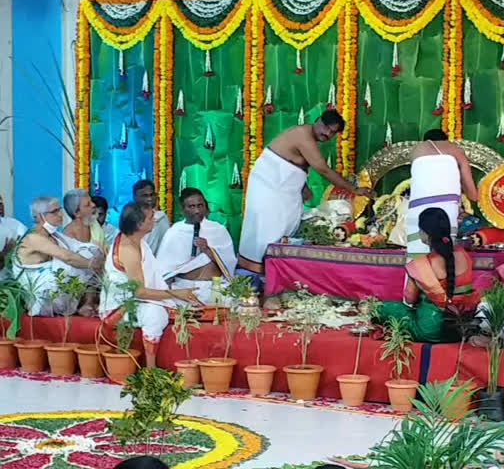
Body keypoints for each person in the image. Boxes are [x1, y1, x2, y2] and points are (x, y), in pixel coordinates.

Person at [238, 110, 373, 281]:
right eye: (326, 128)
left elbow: (294, 162)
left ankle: (273, 275)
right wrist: (355, 190)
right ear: (317, 120)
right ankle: (253, 278)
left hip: (283, 187)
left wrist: (303, 185)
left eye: (333, 132)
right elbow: (323, 169)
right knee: (266, 228)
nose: (327, 134)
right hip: (269, 185)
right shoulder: (302, 134)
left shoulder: (308, 138)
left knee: (285, 226)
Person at [100, 202, 200, 368]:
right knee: (155, 314)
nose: (155, 220)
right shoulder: (129, 251)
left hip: (135, 300)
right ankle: (151, 369)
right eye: (151, 217)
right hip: (119, 308)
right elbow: (139, 292)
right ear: (139, 224)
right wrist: (176, 294)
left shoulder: (137, 241)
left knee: (187, 302)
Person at [377, 208, 480, 343]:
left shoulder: (420, 265)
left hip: (431, 330)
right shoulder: (464, 255)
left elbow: (409, 300)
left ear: (425, 234)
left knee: (382, 307)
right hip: (463, 327)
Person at [12, 196, 104, 316]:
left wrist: (95, 258)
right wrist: (92, 264)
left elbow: (85, 248)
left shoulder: (55, 236)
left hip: (58, 292)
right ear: (40, 216)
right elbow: (67, 257)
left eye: (60, 210)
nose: (60, 214)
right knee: (71, 265)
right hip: (40, 297)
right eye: (55, 212)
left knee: (88, 253)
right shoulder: (32, 238)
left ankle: (87, 304)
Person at [157, 188, 237, 304]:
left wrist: (208, 250)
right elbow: (164, 270)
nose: (197, 211)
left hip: (214, 286)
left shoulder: (218, 230)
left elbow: (229, 265)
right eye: (192, 206)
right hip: (184, 287)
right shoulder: (174, 232)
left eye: (200, 206)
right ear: (183, 209)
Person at [407, 129, 477, 261]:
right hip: (446, 211)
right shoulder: (455, 150)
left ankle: (418, 280)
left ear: (426, 141)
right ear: (446, 140)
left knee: (416, 257)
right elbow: (472, 194)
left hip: (417, 210)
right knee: (444, 252)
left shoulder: (416, 150)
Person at [61, 189, 107, 316]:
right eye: (88, 204)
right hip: (77, 289)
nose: (93, 205)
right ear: (77, 213)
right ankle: (86, 305)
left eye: (91, 201)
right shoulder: (68, 235)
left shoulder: (94, 225)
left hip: (99, 278)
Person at [133, 180, 170, 255]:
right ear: (135, 197)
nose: (149, 199)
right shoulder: (131, 220)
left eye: (152, 195)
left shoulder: (161, 218)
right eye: (145, 196)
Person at [0, 193, 26, 275]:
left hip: (12, 278)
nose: (1, 207)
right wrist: (5, 253)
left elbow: (29, 239)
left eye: (1, 203)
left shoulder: (13, 224)